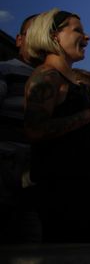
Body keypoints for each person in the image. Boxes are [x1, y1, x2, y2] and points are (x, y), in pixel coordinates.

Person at [23, 9, 90, 242]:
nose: (87, 37)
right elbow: (34, 130)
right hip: (63, 191)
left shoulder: (71, 81)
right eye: (77, 30)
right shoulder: (47, 77)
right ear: (54, 36)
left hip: (89, 188)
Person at [0, 14, 41, 243]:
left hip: (33, 181)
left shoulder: (54, 80)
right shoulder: (6, 70)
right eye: (31, 34)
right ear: (19, 40)